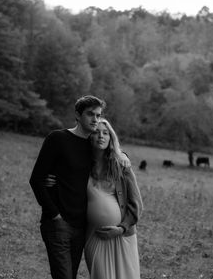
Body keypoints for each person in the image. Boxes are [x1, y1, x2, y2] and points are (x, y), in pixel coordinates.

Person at [46, 118, 143, 279]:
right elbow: (67, 185)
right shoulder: (82, 165)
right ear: (89, 137)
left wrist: (121, 228)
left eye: (106, 133)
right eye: (96, 132)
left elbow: (136, 204)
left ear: (111, 138)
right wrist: (51, 181)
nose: (101, 136)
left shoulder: (121, 165)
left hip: (123, 235)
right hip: (95, 235)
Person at [29, 95, 106, 279]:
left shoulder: (93, 146)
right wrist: (54, 214)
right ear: (78, 115)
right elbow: (36, 179)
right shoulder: (58, 138)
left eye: (98, 115)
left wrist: (125, 159)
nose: (95, 119)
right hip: (58, 224)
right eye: (90, 114)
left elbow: (113, 152)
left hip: (81, 226)